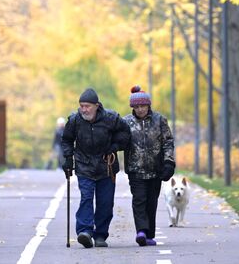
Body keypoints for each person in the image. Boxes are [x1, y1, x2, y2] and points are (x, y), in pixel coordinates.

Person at [61, 88, 131, 248]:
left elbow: (126, 133)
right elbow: (66, 139)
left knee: (105, 203)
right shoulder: (75, 120)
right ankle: (85, 231)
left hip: (106, 166)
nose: (84, 109)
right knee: (86, 198)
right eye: (81, 106)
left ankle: (100, 235)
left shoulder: (111, 118)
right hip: (84, 165)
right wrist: (67, 159)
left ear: (97, 106)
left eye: (87, 106)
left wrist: (114, 146)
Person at [122, 85, 175, 247]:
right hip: (135, 169)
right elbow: (119, 140)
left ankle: (149, 234)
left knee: (151, 203)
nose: (139, 109)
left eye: (142, 106)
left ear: (148, 105)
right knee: (139, 200)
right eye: (136, 107)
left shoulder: (159, 120)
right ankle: (141, 232)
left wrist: (168, 162)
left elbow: (168, 142)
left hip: (155, 170)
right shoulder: (126, 122)